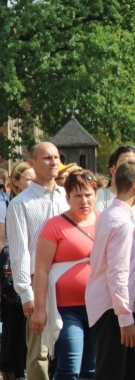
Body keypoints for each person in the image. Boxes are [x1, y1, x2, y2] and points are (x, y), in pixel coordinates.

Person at [6, 142, 70, 380]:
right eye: (47, 158)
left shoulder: (66, 196)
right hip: (37, 281)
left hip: (68, 277)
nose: (54, 162)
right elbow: (20, 251)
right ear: (32, 163)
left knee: (69, 346)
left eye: (56, 157)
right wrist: (26, 293)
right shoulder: (20, 204)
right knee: (39, 351)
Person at [31, 170, 99, 380]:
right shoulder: (54, 225)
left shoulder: (105, 221)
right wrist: (40, 310)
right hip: (66, 310)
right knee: (70, 367)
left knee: (91, 369)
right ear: (67, 198)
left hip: (99, 307)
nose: (84, 201)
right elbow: (41, 270)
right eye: (77, 196)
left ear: (96, 195)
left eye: (88, 195)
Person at [84, 160, 135, 380]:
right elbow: (118, 273)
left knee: (129, 371)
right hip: (113, 309)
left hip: (109, 307)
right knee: (111, 372)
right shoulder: (122, 223)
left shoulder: (109, 214)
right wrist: (125, 319)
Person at [0, 162, 34, 380]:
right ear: (16, 182)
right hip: (12, 270)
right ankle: (12, 369)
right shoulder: (12, 205)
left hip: (30, 269)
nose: (33, 182)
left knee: (25, 326)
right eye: (29, 178)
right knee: (13, 324)